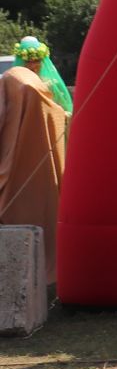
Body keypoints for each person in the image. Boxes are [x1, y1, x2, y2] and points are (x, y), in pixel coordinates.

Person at [0, 37, 69, 270]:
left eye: (37, 59)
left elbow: (63, 114)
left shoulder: (48, 83)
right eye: (29, 59)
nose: (33, 64)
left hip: (47, 150)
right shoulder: (16, 82)